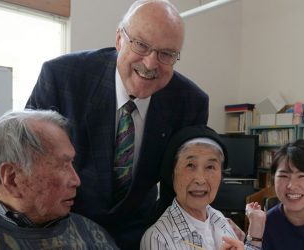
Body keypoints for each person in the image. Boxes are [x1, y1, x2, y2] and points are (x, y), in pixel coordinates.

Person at [25, 0, 208, 248]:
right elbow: (27, 162)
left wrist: (206, 228)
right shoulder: (62, 78)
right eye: (141, 45)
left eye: (166, 54)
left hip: (139, 233)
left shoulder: (189, 102)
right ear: (120, 39)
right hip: (60, 228)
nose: (151, 63)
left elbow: (179, 188)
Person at [0, 110, 119, 249]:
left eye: (71, 164)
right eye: (61, 166)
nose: (76, 181)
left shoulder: (93, 236)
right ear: (12, 178)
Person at [141, 125, 266, 250]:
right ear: (172, 173)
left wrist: (254, 235)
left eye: (210, 167)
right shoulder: (159, 238)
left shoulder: (221, 220)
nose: (200, 180)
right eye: (190, 165)